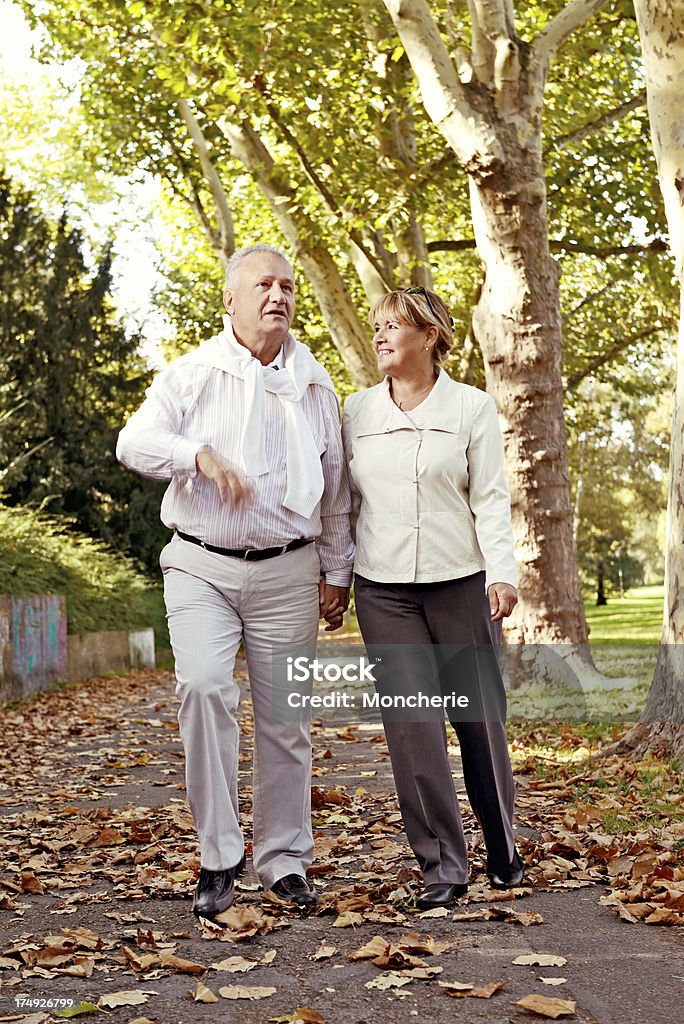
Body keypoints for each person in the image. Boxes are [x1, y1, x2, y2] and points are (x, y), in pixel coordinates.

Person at [117, 243, 353, 917]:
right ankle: (219, 856)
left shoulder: (314, 383)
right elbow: (132, 443)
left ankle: (284, 860)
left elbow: (334, 491)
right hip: (201, 563)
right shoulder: (193, 375)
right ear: (231, 299)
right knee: (203, 686)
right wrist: (197, 454)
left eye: (287, 287)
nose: (277, 296)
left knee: (286, 721)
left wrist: (337, 571)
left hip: (289, 569)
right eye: (263, 285)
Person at [342, 286, 523, 910]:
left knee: (478, 724)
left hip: (459, 583)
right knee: (413, 728)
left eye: (396, 325)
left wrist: (503, 574)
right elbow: (344, 504)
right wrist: (337, 576)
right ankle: (443, 865)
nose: (382, 334)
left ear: (430, 335)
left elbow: (490, 499)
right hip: (384, 590)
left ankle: (502, 844)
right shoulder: (355, 412)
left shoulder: (471, 408)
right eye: (377, 325)